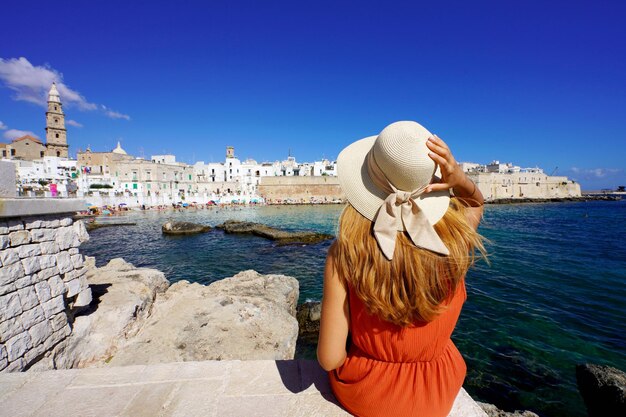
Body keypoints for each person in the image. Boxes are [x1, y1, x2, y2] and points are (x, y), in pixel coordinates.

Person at [317, 121, 486, 417]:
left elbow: (329, 359)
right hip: (437, 392)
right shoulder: (457, 244)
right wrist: (459, 179)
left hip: (366, 393)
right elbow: (474, 203)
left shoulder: (343, 254)